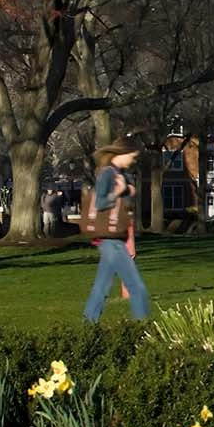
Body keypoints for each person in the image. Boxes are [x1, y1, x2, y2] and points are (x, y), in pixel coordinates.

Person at [82, 136, 150, 323]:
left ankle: (88, 324)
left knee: (102, 287)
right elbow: (100, 202)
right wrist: (118, 193)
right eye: (132, 156)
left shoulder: (119, 173)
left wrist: (128, 191)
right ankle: (142, 327)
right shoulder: (107, 174)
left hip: (115, 238)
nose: (133, 161)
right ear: (123, 153)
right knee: (136, 287)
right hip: (110, 240)